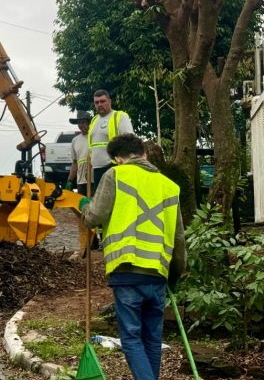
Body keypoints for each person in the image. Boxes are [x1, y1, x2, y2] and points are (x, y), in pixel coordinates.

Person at [79, 133, 187, 380]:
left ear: (118, 159)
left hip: (126, 270)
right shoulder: (170, 186)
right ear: (144, 154)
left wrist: (85, 206)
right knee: (152, 340)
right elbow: (179, 238)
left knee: (131, 338)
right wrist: (175, 275)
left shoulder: (115, 175)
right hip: (158, 274)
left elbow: (93, 217)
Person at [88, 89, 133, 193]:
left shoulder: (119, 117)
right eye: (96, 102)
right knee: (100, 201)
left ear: (109, 101)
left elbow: (130, 142)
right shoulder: (94, 120)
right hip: (97, 170)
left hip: (114, 167)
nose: (99, 104)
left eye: (102, 101)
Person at [64, 110, 91, 196]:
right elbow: (75, 163)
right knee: (82, 203)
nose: (81, 125)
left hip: (94, 179)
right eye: (79, 123)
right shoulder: (75, 140)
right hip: (81, 181)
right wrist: (70, 180)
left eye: (83, 122)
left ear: (89, 123)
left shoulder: (94, 136)